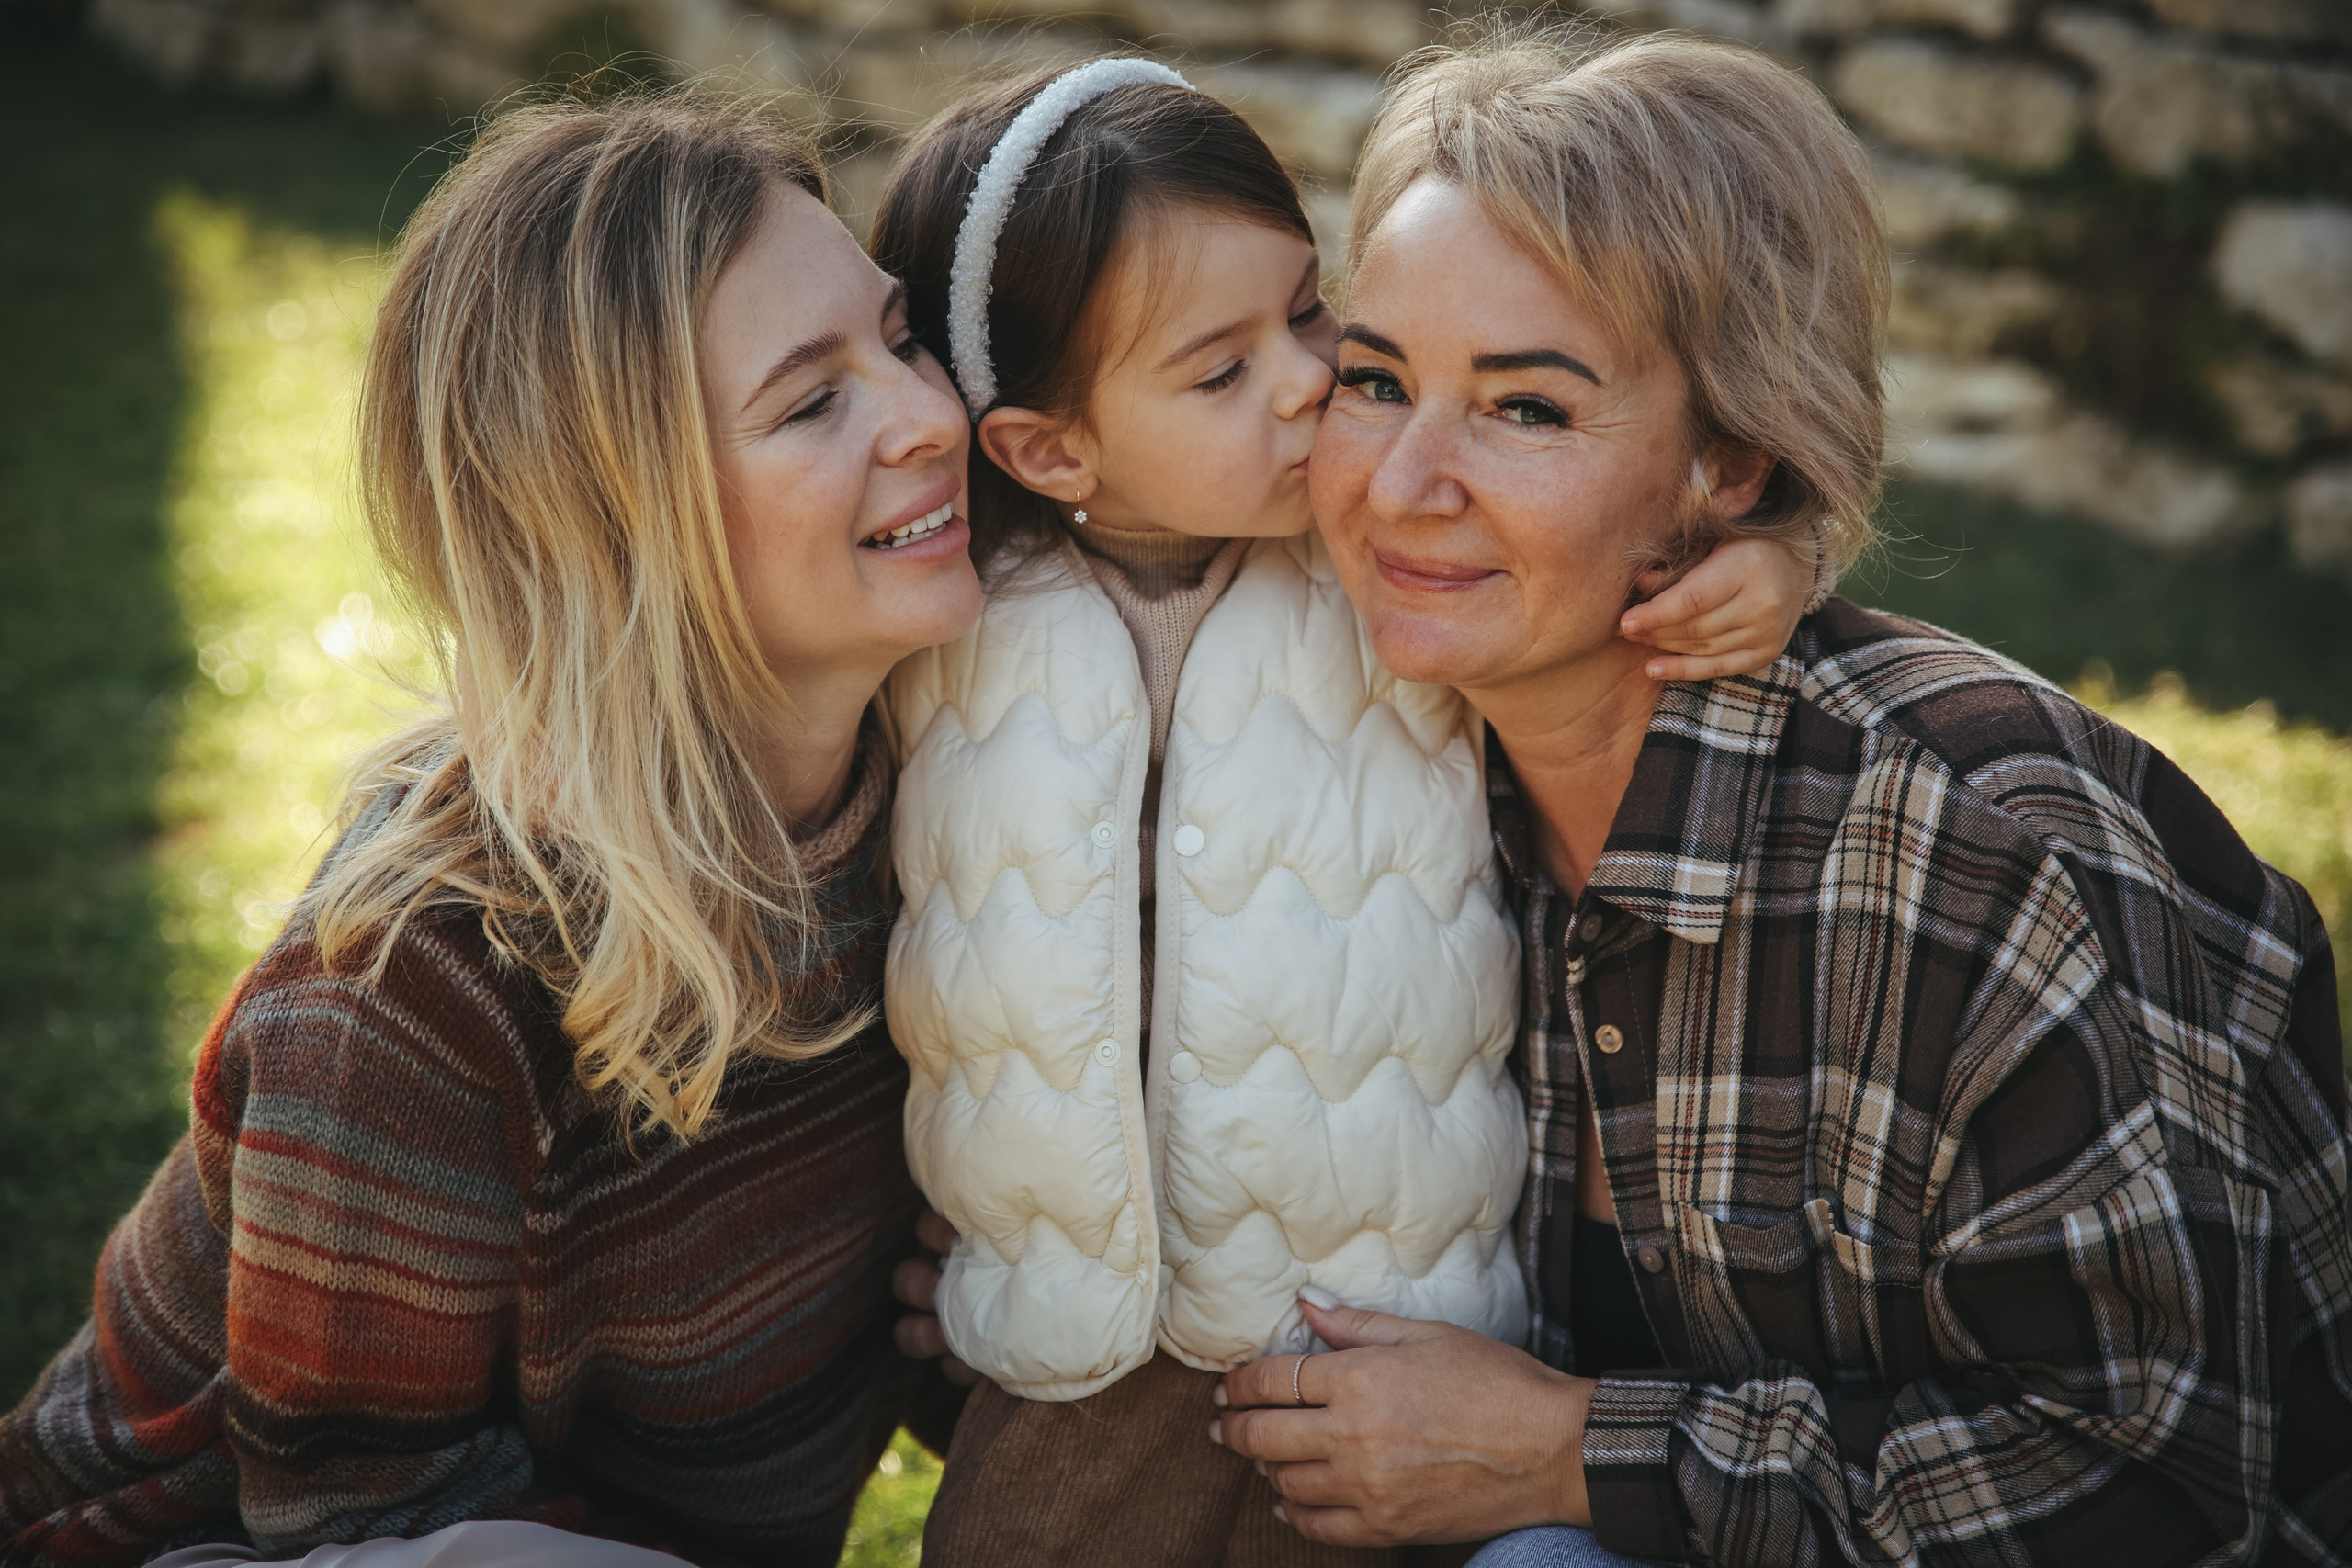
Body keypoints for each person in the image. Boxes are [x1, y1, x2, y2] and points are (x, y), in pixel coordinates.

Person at [1208, 26, 2352, 1568]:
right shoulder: (1370, 756)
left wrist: (1564, 1456)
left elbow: (2169, 1473)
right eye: (1375, 378)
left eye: (1526, 408)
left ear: (1729, 469)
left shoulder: (1975, 852)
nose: (1402, 482)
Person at [863, 57, 1826, 1568]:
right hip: (1069, 1364)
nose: (1315, 381)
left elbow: (1628, 559)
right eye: (1220, 367)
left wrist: (1773, 562)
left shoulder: (1389, 566)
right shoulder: (950, 622)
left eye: (1307, 313)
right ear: (1050, 451)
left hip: (1377, 1338)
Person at [0, 93, 981, 1566]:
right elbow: (356, 1518)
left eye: (899, 340)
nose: (928, 415)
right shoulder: (416, 984)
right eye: (811, 401)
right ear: (616, 523)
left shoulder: (961, 802)